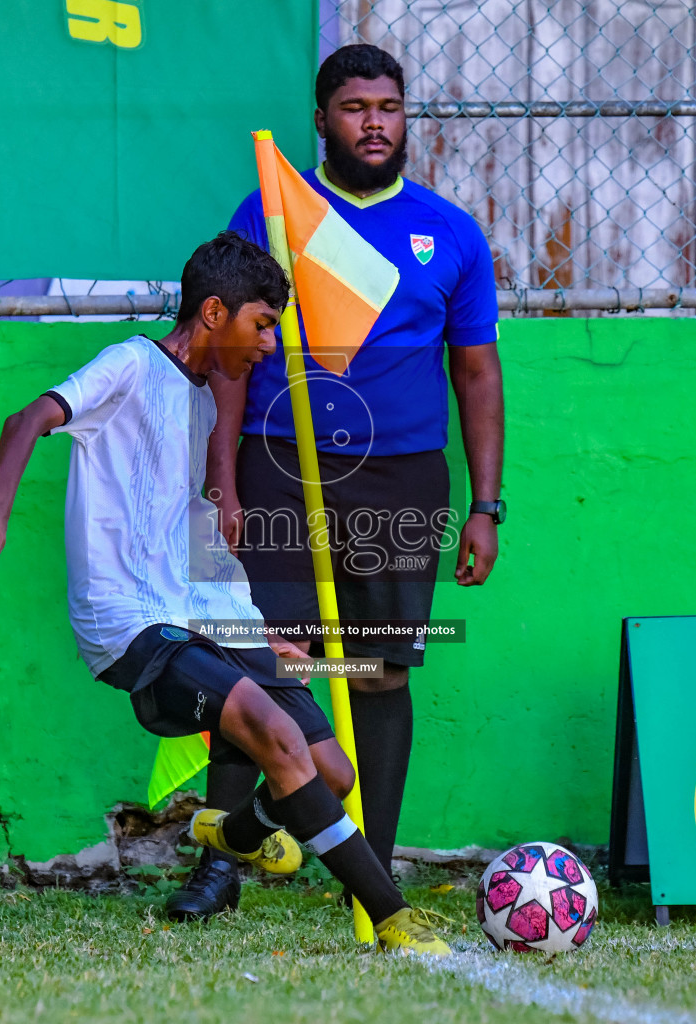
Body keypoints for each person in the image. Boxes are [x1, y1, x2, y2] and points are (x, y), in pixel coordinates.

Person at [0, 231, 449, 955]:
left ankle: (232, 830)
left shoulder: (203, 404)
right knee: (276, 739)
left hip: (201, 608)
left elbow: (186, 522)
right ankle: (395, 920)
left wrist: (247, 622)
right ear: (213, 313)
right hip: (132, 619)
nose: (270, 345)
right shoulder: (128, 363)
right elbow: (27, 418)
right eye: (263, 325)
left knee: (333, 771)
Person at [167, 44, 504, 921]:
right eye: (355, 108)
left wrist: (486, 505)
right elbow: (233, 363)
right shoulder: (272, 209)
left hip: (401, 483)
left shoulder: (453, 232)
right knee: (265, 667)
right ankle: (221, 865)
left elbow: (475, 373)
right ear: (322, 119)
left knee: (378, 674)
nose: (375, 123)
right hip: (278, 465)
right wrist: (224, 483)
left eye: (388, 107)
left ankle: (372, 873)